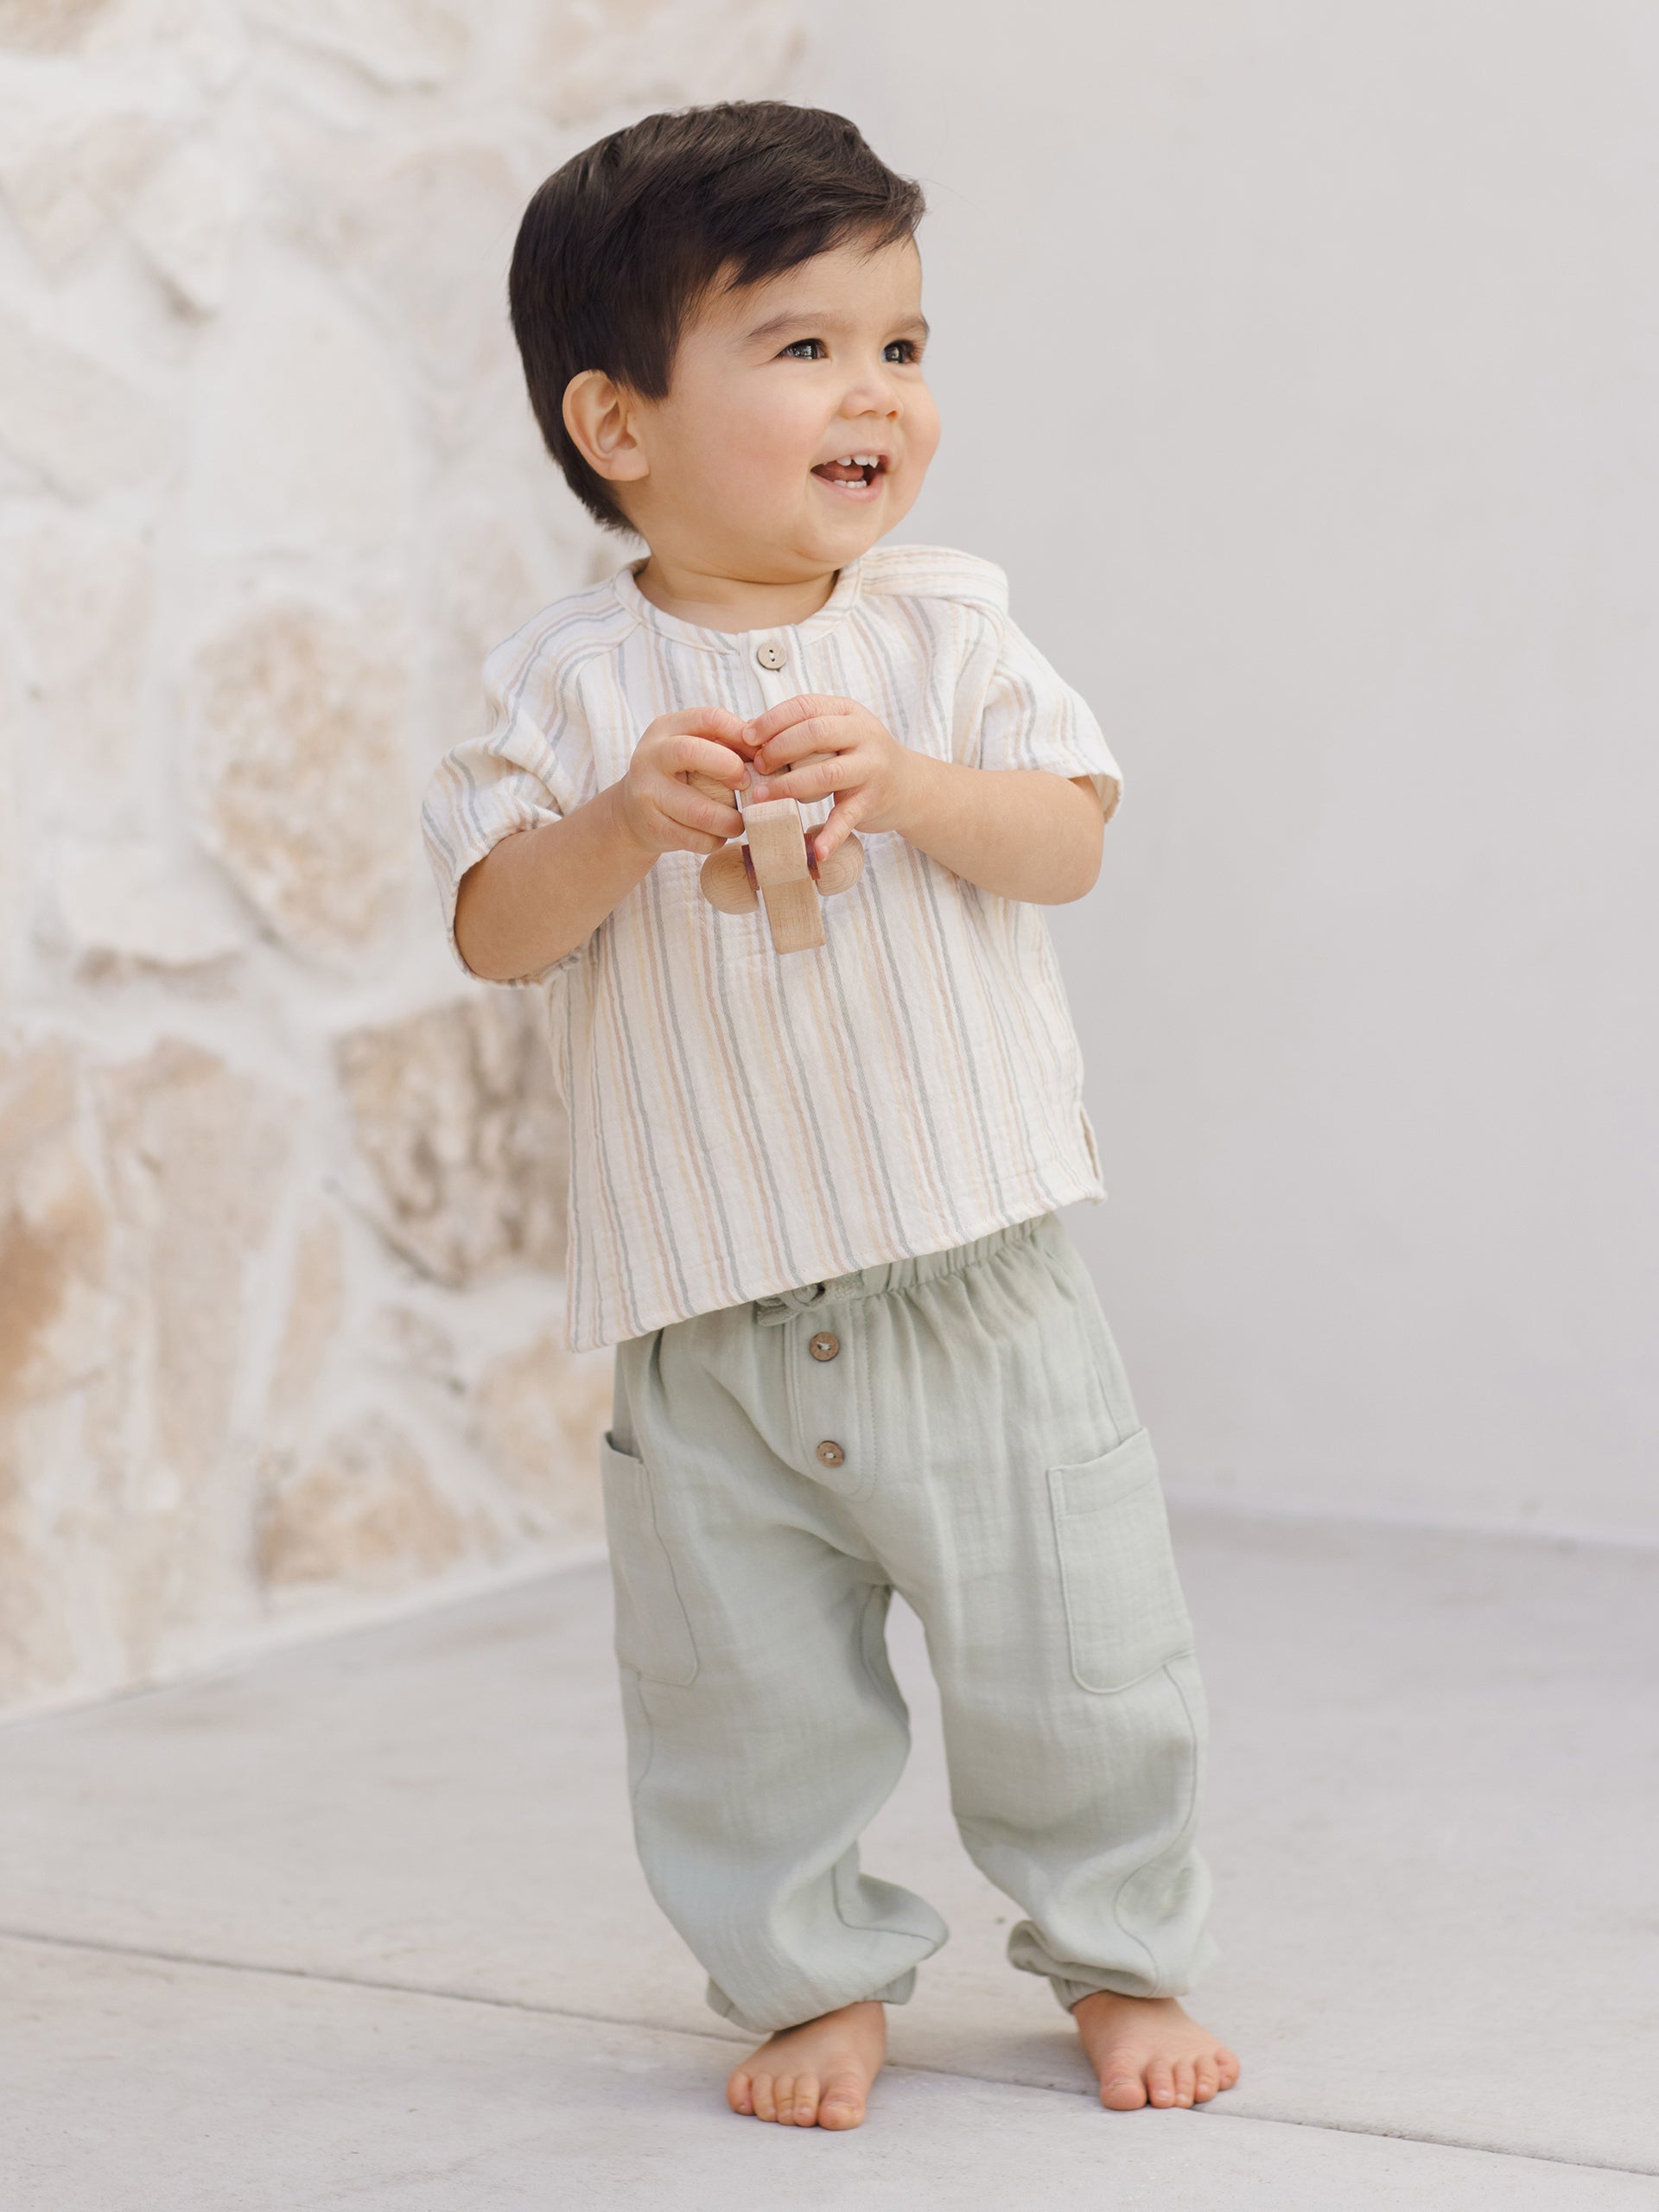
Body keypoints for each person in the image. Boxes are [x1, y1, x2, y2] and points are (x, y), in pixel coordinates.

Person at [422, 99, 1239, 2133]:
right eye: (804, 347)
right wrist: (619, 822)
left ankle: (1120, 1945)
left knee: (1079, 1657)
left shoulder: (946, 628)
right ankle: (808, 1967)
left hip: (973, 1271)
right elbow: (497, 932)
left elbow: (1066, 844)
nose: (876, 393)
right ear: (619, 425)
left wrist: (911, 787)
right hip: (706, 1317)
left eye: (902, 343)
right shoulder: (559, 687)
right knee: (741, 1697)